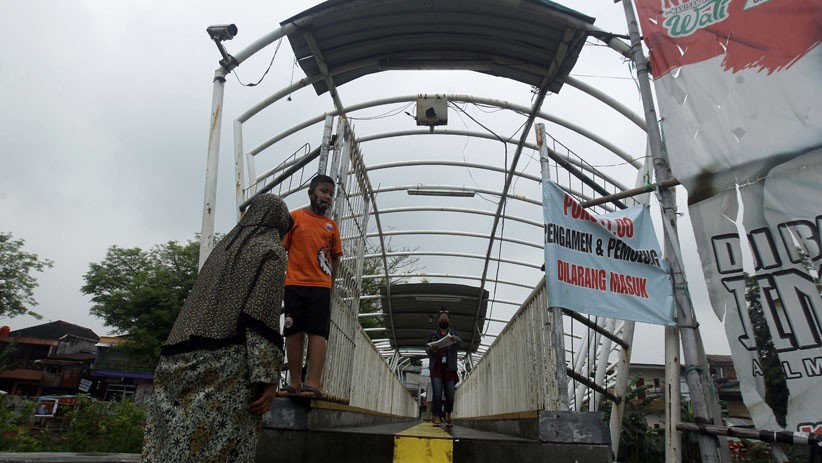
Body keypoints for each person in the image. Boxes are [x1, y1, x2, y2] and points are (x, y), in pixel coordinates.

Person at [141, 194, 291, 463]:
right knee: (219, 448)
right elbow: (260, 317)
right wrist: (268, 377)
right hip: (223, 366)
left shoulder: (221, 250)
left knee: (170, 446)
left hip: (174, 360)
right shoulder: (271, 251)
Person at [279, 174, 343, 399]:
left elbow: (336, 257)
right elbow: (281, 249)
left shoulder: (331, 226)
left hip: (320, 287)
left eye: (331, 194)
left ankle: (314, 383)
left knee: (318, 332)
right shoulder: (294, 218)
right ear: (311, 193)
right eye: (323, 191)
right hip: (295, 283)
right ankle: (295, 383)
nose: (327, 197)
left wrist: (330, 281)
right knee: (293, 330)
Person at [425, 309, 462, 427]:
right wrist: (431, 349)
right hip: (436, 368)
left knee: (450, 395)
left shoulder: (454, 333)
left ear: (449, 321)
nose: (443, 322)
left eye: (445, 320)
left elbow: (461, 343)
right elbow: (427, 349)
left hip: (450, 369)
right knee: (437, 393)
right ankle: (436, 417)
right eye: (441, 320)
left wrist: (456, 340)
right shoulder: (432, 334)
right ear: (438, 321)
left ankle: (448, 414)